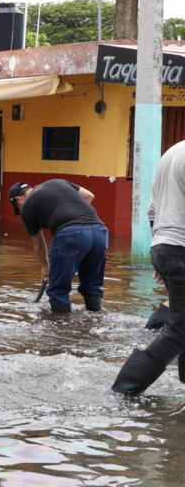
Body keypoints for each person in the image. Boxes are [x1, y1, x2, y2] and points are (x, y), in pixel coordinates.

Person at [112, 140, 185, 395]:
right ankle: (123, 392)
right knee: (180, 329)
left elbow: (152, 209)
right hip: (180, 248)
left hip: (166, 246)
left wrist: (160, 253)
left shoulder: (172, 152)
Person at [8, 179, 107, 313]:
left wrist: (45, 267)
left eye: (18, 208)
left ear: (18, 200)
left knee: (58, 290)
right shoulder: (58, 182)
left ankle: (60, 331)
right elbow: (89, 195)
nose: (20, 210)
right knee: (92, 287)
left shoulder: (27, 208)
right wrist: (78, 217)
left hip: (70, 233)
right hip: (100, 231)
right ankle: (95, 323)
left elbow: (38, 244)